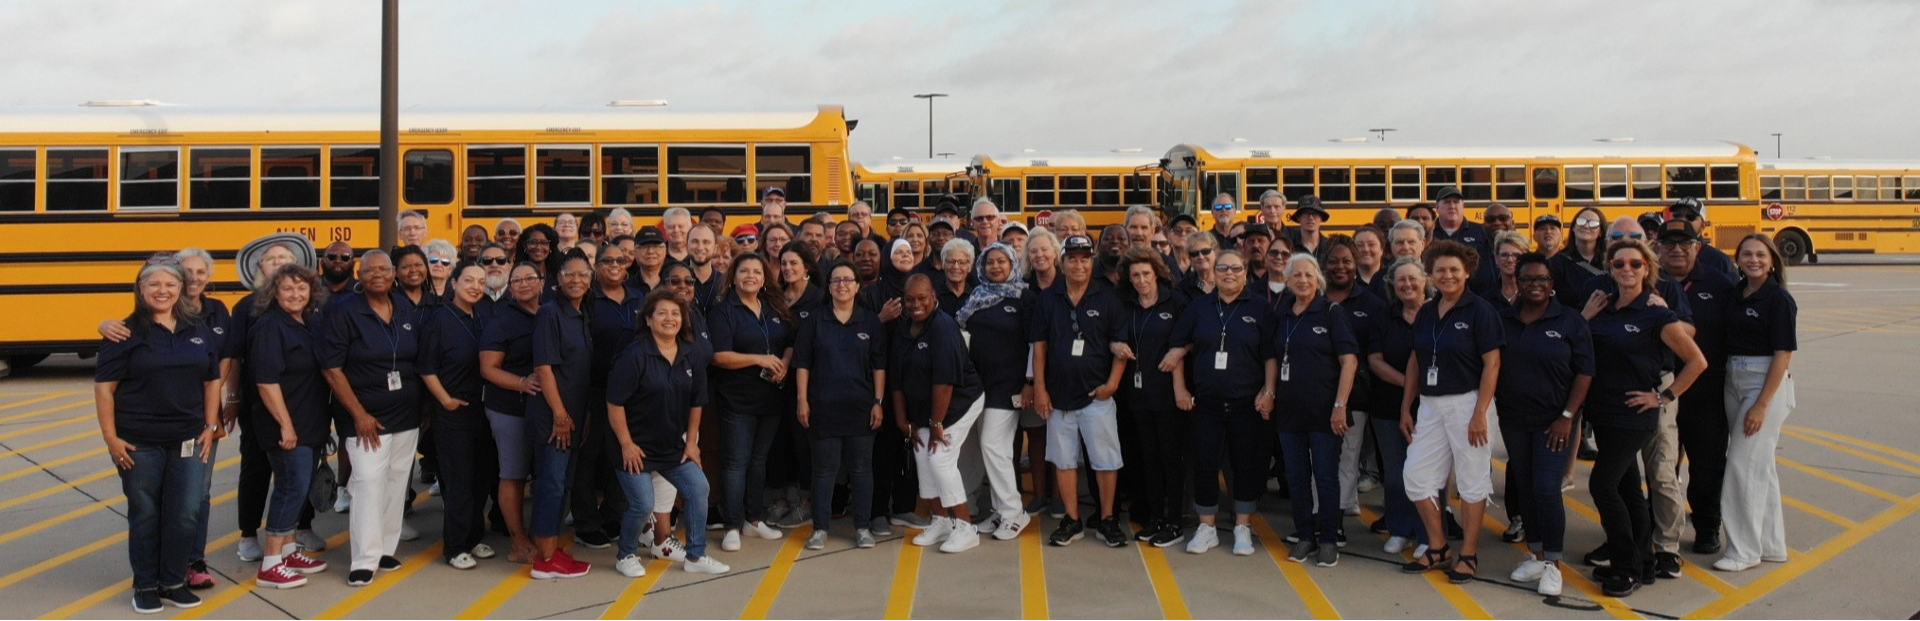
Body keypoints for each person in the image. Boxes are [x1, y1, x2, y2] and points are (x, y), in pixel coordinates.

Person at [1578, 239, 1708, 596]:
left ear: (1647, 268)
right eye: (1619, 264)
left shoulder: (1657, 312)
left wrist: (1663, 396)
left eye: (1635, 264)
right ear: (1610, 268)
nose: (1627, 270)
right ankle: (1644, 562)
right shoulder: (1602, 307)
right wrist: (1585, 317)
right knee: (1626, 487)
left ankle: (1625, 566)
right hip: (1602, 412)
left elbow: (1697, 362)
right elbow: (1575, 344)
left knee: (1601, 485)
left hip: (1634, 414)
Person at [96, 260, 223, 613]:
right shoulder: (123, 333)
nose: (162, 290)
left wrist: (210, 426)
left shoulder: (198, 330)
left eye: (170, 284)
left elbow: (212, 379)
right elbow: (105, 390)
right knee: (146, 513)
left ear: (181, 289)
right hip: (139, 442)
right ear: (140, 289)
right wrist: (111, 438)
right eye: (154, 284)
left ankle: (173, 582)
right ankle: (146, 585)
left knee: (185, 513)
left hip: (188, 439)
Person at [605, 290, 733, 577]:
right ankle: (625, 554)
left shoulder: (691, 354)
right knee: (642, 504)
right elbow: (615, 403)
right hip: (634, 447)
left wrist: (692, 442)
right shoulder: (634, 355)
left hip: (672, 447)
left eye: (675, 313)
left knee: (699, 489)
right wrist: (626, 444)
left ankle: (696, 556)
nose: (669, 319)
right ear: (648, 320)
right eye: (662, 313)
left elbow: (697, 402)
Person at [1397, 240, 1502, 583]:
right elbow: (1415, 360)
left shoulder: (1480, 311)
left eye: (1454, 269)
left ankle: (1468, 554)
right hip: (1429, 405)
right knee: (1415, 476)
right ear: (1431, 273)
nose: (1447, 275)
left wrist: (1479, 413)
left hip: (1468, 403)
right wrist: (1406, 408)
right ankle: (1439, 548)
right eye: (1440, 269)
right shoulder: (1427, 310)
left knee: (1472, 482)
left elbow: (1492, 364)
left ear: (1467, 271)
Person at [319, 249, 423, 587]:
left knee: (396, 483)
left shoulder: (404, 306)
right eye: (369, 270)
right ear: (359, 276)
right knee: (367, 482)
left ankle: (384, 549)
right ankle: (363, 559)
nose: (377, 275)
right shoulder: (344, 311)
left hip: (406, 413)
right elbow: (332, 368)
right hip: (366, 416)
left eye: (383, 269)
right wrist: (359, 414)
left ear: (393, 274)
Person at [1496, 253, 1594, 597]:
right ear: (1517, 283)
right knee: (1524, 487)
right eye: (1528, 279)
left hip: (1555, 421)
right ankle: (1535, 554)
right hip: (1513, 419)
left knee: (1546, 490)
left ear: (1552, 285)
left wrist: (1567, 417)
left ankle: (1553, 563)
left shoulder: (1569, 321)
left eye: (1542, 279)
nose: (1535, 285)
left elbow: (1585, 372)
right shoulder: (1504, 319)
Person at [1168, 248, 1274, 555]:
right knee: (1205, 463)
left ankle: (1242, 526)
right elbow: (1177, 346)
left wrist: (1269, 391)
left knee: (1244, 464)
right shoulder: (1199, 307)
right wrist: (1180, 390)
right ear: (1213, 273)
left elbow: (1269, 354)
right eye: (1223, 268)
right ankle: (1207, 526)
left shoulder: (1260, 308)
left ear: (1245, 273)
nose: (1229, 273)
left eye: (1236, 269)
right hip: (1207, 402)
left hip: (1247, 402)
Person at [1030, 235, 1130, 548]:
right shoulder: (1048, 298)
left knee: (1105, 460)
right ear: (1062, 262)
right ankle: (1072, 520)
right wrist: (1040, 389)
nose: (1078, 264)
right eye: (1072, 258)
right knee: (1064, 460)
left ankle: (1108, 518)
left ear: (1092, 261)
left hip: (1096, 395)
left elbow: (1120, 346)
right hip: (1059, 398)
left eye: (1085, 258)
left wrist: (1112, 384)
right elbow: (1040, 348)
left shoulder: (1108, 297)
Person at [1656, 220, 1740, 556]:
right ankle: (1661, 525)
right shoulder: (1648, 281)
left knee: (1706, 464)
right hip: (1662, 387)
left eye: (1684, 243)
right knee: (1662, 465)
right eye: (1669, 243)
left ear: (1697, 246)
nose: (1677, 249)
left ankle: (1707, 526)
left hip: (1706, 388)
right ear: (1658, 247)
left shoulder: (1720, 284)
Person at [1714, 235, 1797, 573]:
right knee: (1760, 466)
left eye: (1761, 255)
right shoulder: (1736, 293)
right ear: (1738, 259)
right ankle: (1771, 545)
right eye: (1746, 254)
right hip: (1734, 375)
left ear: (1773, 260)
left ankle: (1744, 550)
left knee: (1740, 467)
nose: (1754, 260)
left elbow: (1783, 355)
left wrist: (1762, 404)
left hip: (1764, 382)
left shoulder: (1779, 299)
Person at [248, 265, 334, 588]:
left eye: (302, 289)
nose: (296, 294)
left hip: (309, 424)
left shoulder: (306, 322)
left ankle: (287, 551)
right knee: (290, 487)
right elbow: (266, 382)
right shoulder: (270, 327)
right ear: (274, 292)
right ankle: (270, 564)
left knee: (300, 486)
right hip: (286, 427)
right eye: (288, 289)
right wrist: (285, 425)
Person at [1270, 254, 1358, 567]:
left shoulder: (1332, 312)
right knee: (1295, 476)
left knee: (1325, 477)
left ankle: (1329, 539)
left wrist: (1340, 406)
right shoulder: (1283, 314)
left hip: (1325, 412)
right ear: (1288, 280)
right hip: (1290, 412)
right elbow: (1272, 358)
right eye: (1297, 276)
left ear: (1317, 279)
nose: (1303, 280)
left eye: (1308, 275)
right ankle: (1305, 535)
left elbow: (1349, 362)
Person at [794, 262, 889, 550]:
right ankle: (820, 528)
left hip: (861, 407)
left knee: (861, 470)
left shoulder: (870, 321)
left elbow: (879, 367)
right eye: (836, 280)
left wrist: (878, 402)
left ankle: (862, 527)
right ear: (829, 286)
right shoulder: (814, 320)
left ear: (858, 286)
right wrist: (802, 400)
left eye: (848, 280)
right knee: (824, 471)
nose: (842, 285)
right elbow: (802, 363)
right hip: (823, 407)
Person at [894, 275, 989, 553]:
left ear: (933, 296)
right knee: (922, 454)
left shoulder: (943, 328)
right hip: (925, 410)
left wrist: (937, 423)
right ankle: (940, 520)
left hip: (959, 403)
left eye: (922, 298)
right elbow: (897, 379)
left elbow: (944, 381)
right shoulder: (904, 328)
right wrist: (902, 419)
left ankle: (965, 526)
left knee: (940, 457)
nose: (916, 304)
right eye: (910, 299)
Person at [710, 253, 796, 551]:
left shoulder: (773, 306)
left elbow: (789, 342)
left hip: (771, 398)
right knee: (736, 464)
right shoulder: (723, 311)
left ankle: (754, 520)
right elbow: (719, 356)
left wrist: (784, 362)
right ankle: (732, 524)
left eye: (756, 272)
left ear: (764, 278)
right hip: (737, 399)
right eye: (743, 271)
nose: (750, 276)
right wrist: (759, 358)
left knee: (759, 461)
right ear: (733, 277)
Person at [522, 250, 598, 580]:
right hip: (554, 417)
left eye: (583, 274)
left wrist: (581, 416)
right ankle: (546, 558)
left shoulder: (581, 315)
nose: (577, 280)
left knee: (564, 483)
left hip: (576, 414)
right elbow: (544, 367)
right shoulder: (550, 314)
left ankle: (551, 547)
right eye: (570, 274)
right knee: (551, 484)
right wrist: (561, 415)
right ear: (559, 278)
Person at [417, 261, 498, 569]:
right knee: (458, 479)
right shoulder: (440, 320)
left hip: (483, 409)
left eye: (481, 281)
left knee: (481, 477)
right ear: (453, 283)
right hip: (453, 410)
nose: (475, 286)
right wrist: (446, 401)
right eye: (469, 280)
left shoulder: (484, 315)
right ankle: (455, 546)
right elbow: (426, 368)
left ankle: (474, 537)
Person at [956, 243, 1035, 541]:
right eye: (990, 262)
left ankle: (1015, 512)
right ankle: (1002, 510)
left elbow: (1034, 343)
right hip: (979, 385)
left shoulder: (1024, 297)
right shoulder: (976, 296)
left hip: (1009, 384)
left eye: (1002, 261)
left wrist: (1029, 381)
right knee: (993, 449)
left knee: (993, 444)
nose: (996, 266)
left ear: (1013, 263)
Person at [1110, 248, 1188, 547]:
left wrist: (1180, 360)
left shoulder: (1175, 301)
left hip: (1168, 393)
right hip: (1136, 392)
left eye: (1146, 274)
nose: (1141, 280)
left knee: (1170, 459)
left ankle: (1174, 522)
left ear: (1156, 273)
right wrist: (1115, 344)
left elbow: (1185, 341)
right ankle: (1156, 518)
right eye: (1135, 276)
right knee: (1147, 459)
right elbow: (1111, 334)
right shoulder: (1125, 305)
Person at [573, 244, 645, 553]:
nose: (614, 265)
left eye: (620, 260)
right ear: (596, 266)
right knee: (588, 457)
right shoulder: (588, 299)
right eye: (607, 261)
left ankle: (614, 514)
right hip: (593, 389)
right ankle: (586, 523)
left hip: (630, 393)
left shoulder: (640, 298)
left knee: (622, 454)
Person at [479, 262, 545, 564]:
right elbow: (488, 368)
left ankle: (539, 534)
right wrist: (521, 383)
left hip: (543, 409)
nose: (523, 284)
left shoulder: (549, 312)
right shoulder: (502, 320)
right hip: (509, 409)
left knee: (543, 475)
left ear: (542, 281)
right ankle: (518, 541)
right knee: (513, 474)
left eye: (529, 278)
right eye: (516, 280)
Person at [1323, 237, 1388, 524]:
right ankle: (1322, 505)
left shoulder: (1372, 304)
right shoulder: (1314, 297)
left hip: (1356, 392)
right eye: (1334, 261)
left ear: (1355, 264)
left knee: (1349, 452)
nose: (1340, 266)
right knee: (1320, 456)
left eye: (1346, 261)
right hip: (1317, 389)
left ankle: (1342, 505)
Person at [1429, 187, 1495, 292]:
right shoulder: (1429, 232)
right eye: (1446, 202)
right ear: (1437, 207)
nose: (1452, 206)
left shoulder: (1480, 231)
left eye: (1456, 202)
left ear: (1463, 206)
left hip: (1475, 293)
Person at [1552, 207, 1608, 308]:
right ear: (1573, 227)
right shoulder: (1557, 262)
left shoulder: (1610, 262)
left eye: (1593, 223)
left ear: (1600, 232)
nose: (1586, 226)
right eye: (1581, 221)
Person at [1666, 198, 1736, 278]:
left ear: (1703, 225)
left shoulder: (1719, 261)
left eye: (1690, 217)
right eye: (1677, 215)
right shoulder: (1660, 255)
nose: (1682, 220)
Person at [1481, 232, 1531, 310]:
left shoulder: (1536, 294)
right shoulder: (1485, 300)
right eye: (1504, 255)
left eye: (1516, 255)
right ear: (1496, 258)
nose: (1510, 260)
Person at [936, 240, 976, 316]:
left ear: (969, 267)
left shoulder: (976, 297)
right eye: (951, 261)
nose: (956, 267)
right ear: (943, 264)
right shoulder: (934, 297)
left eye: (962, 262)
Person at [1176, 232, 1218, 301]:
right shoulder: (1182, 289)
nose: (1201, 257)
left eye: (1205, 251)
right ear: (1190, 259)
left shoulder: (1226, 280)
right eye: (1194, 253)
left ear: (1215, 253)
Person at [1289, 195, 1331, 261]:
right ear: (1298, 217)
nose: (1311, 218)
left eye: (1315, 214)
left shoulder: (1330, 247)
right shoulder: (1289, 245)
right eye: (1306, 213)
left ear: (1321, 218)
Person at [1353, 226, 1388, 301]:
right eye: (1360, 245)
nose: (1366, 249)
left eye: (1371, 244)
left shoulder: (1392, 278)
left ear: (1382, 249)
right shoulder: (1346, 280)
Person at [630, 227, 668, 292]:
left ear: (665, 250)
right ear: (634, 252)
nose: (650, 251)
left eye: (655, 246)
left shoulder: (673, 284)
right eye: (644, 247)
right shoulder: (625, 287)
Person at [425, 240, 459, 305]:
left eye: (445, 262)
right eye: (433, 260)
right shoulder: (417, 291)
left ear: (450, 269)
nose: (438, 265)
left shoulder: (457, 295)